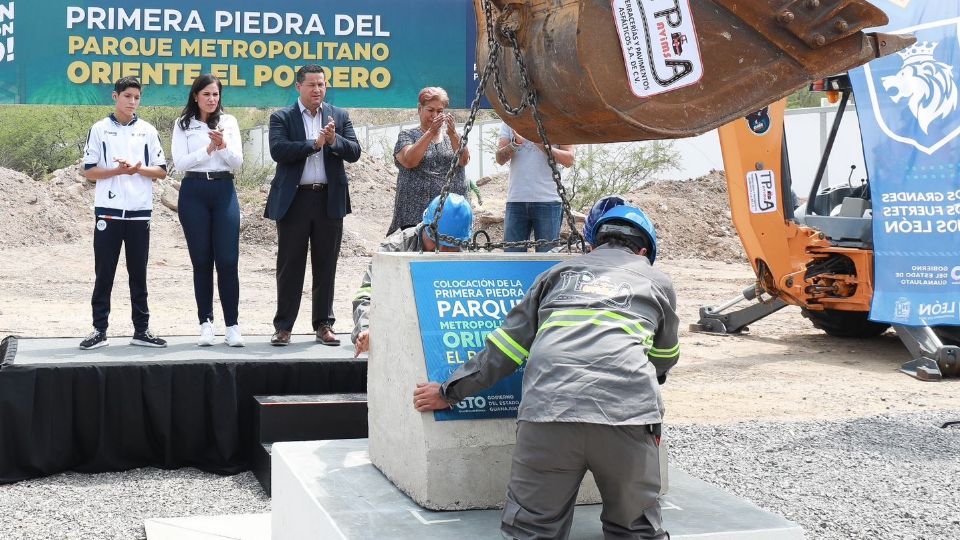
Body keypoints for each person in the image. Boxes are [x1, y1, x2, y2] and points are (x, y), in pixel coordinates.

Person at [414, 204, 679, 540]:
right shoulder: (657, 282)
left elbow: (504, 352)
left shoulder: (556, 274)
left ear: (594, 245)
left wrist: (446, 392)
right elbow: (665, 358)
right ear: (643, 252)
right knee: (636, 531)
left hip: (548, 416)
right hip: (626, 420)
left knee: (531, 531)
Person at [264, 65, 361, 346]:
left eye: (322, 84)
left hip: (328, 199)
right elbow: (278, 150)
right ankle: (283, 327)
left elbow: (354, 152)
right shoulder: (281, 117)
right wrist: (313, 144)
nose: (317, 89)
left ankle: (323, 324)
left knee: (326, 264)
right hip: (295, 200)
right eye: (311, 85)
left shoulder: (339, 116)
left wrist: (334, 140)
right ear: (298, 87)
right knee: (290, 265)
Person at [79, 77, 168, 350]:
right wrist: (118, 171)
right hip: (108, 210)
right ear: (115, 96)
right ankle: (99, 329)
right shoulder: (99, 129)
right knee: (104, 272)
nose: (132, 102)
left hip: (140, 212)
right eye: (127, 96)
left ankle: (141, 330)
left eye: (137, 97)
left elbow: (162, 171)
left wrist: (138, 169)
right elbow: (89, 171)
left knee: (138, 272)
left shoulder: (148, 131)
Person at [172, 74, 245, 347]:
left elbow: (237, 162)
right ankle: (205, 323)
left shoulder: (229, 122)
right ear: (195, 96)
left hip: (223, 190)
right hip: (194, 192)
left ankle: (233, 325)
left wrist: (223, 146)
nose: (212, 99)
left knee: (227, 260)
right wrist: (208, 148)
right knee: (201, 261)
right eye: (206, 95)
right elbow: (180, 163)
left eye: (216, 95)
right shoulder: (183, 125)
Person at [352, 194, 473, 357]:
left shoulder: (468, 258)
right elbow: (366, 295)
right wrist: (368, 329)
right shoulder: (394, 249)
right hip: (398, 335)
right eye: (437, 243)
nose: (442, 252)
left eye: (451, 247)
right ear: (425, 227)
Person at [386, 87, 470, 235]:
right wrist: (431, 132)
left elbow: (464, 160)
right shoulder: (407, 136)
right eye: (430, 110)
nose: (435, 115)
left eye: (440, 111)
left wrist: (453, 135)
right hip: (414, 214)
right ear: (420, 109)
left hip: (450, 214)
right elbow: (410, 160)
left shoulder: (453, 136)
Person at [496, 124, 575, 252]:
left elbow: (569, 159)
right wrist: (516, 143)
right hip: (516, 200)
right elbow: (499, 158)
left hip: (548, 200)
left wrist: (541, 145)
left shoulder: (556, 117)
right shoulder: (509, 120)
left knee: (546, 260)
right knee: (512, 260)